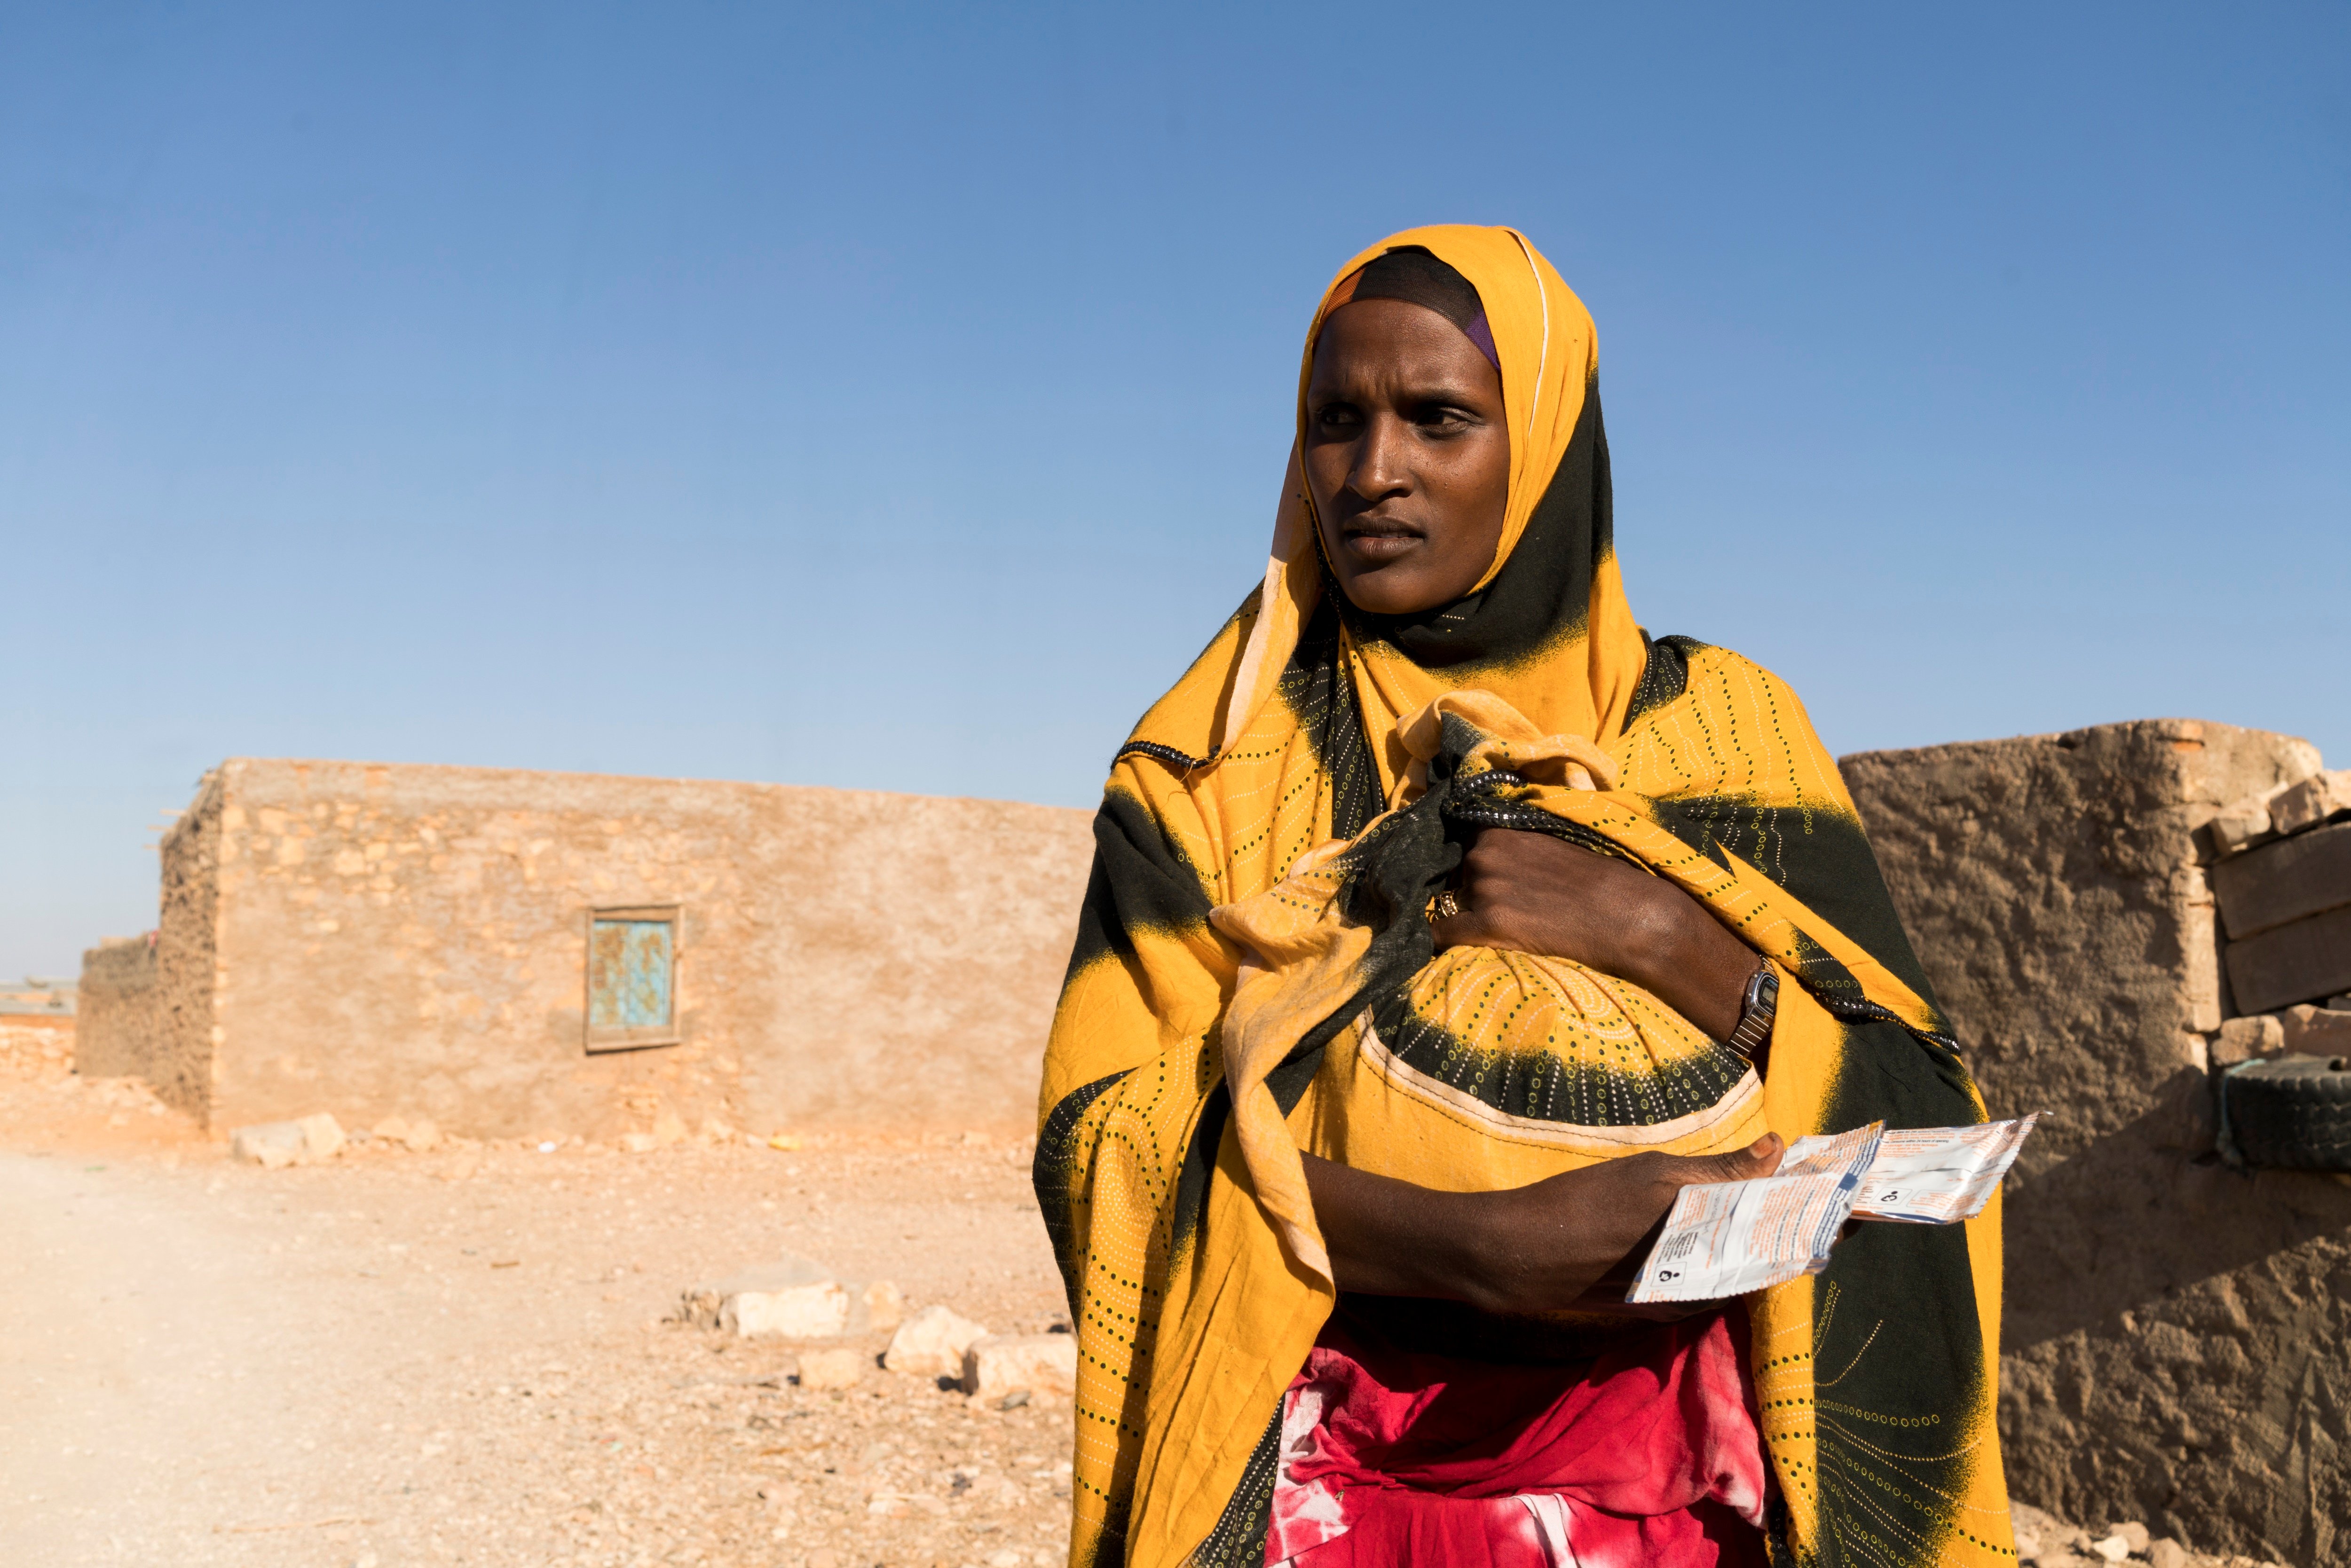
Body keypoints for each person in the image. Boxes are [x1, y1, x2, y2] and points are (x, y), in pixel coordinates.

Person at [1035, 226, 2012, 1568]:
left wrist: (1664, 936)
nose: (1375, 472)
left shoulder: (1728, 731)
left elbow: (1919, 1102)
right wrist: (1472, 1247)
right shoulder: (1210, 764)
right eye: (1336, 422)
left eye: (1438, 419)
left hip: (1684, 1501)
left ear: (1546, 443)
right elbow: (1101, 1141)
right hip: (1325, 1497)